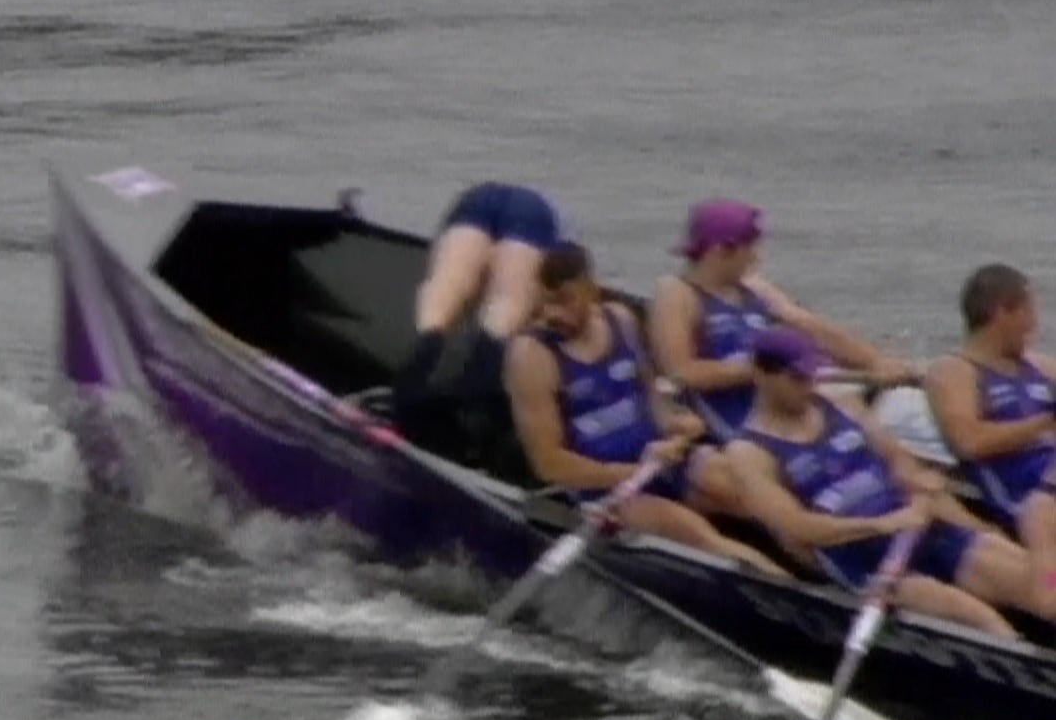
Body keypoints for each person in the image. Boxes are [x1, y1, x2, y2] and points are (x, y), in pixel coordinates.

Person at [504, 242, 791, 578]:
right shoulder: (531, 357)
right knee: (697, 535)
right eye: (546, 302)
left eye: (566, 300)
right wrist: (624, 473)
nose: (555, 315)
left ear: (591, 290)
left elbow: (655, 399)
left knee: (761, 494)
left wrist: (679, 424)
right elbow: (548, 464)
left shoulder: (622, 320)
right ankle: (804, 604)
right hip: (612, 492)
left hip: (666, 460)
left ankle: (843, 571)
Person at [725, 327, 1032, 639]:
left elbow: (896, 459)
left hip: (916, 526)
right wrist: (882, 525)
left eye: (812, 374)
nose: (810, 385)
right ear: (762, 375)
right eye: (797, 378)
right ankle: (1024, 656)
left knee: (1038, 576)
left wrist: (919, 482)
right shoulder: (748, 453)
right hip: (866, 563)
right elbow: (797, 528)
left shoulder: (844, 406)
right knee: (976, 616)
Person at [650, 199, 917, 440]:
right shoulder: (676, 293)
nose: (757, 257)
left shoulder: (752, 287)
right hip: (738, 424)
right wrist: (771, 368)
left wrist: (876, 362)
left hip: (790, 400)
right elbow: (682, 372)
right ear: (721, 251)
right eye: (750, 248)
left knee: (896, 407)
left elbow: (811, 327)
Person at [391, 182, 562, 482]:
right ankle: (464, 394)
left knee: (445, 295)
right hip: (534, 211)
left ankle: (423, 369)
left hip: (478, 198)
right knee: (505, 308)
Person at [922, 262, 1056, 619]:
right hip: (1028, 500)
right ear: (1002, 313)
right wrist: (1044, 422)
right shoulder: (954, 372)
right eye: (1029, 312)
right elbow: (968, 441)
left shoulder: (1041, 367)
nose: (1034, 325)